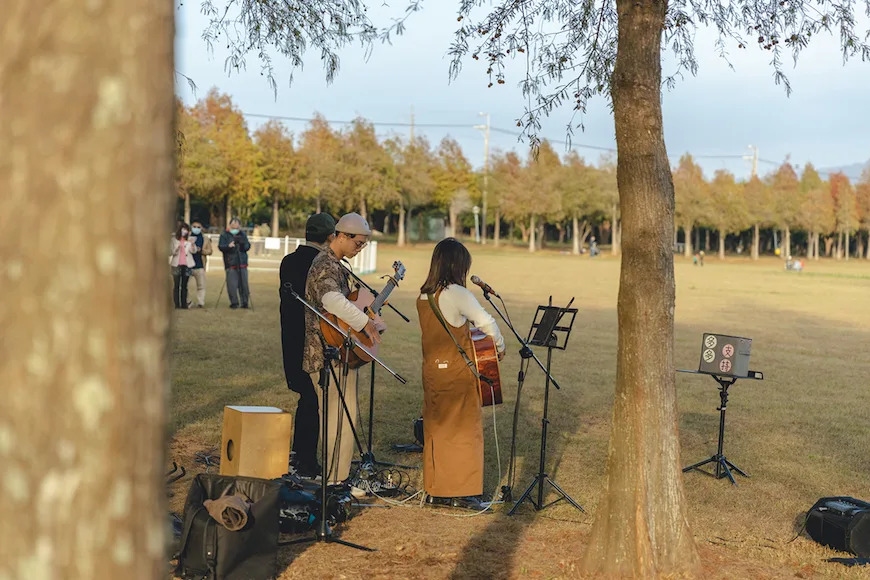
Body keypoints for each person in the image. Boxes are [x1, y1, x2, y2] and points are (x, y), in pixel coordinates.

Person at [417, 238, 506, 511]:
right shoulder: (457, 293)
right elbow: (486, 322)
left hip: (433, 370)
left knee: (437, 429)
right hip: (457, 370)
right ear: (457, 265)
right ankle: (462, 493)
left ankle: (436, 490)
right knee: (465, 430)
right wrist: (499, 347)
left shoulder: (424, 295)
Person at [302, 212, 381, 494]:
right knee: (337, 416)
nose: (360, 249)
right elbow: (331, 300)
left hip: (339, 351)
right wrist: (365, 323)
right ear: (342, 236)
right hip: (326, 354)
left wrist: (366, 317)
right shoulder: (325, 263)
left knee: (343, 415)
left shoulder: (336, 264)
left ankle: (338, 477)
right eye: (358, 243)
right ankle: (336, 481)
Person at [280, 213, 337, 478]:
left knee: (306, 399)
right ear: (330, 236)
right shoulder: (321, 263)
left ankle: (299, 453)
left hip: (291, 339)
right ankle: (306, 460)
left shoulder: (289, 261)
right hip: (314, 342)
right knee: (314, 401)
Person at [218, 218, 251, 309]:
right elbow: (221, 246)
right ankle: (234, 302)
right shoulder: (225, 235)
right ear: (230, 224)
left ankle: (245, 302)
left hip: (242, 262)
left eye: (237, 224)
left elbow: (248, 246)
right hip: (230, 263)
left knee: (244, 284)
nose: (235, 225)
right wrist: (228, 246)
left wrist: (242, 244)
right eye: (233, 223)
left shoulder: (243, 235)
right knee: (231, 285)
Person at [187, 220, 212, 308]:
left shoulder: (205, 239)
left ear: (201, 228)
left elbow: (210, 251)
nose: (196, 229)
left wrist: (201, 250)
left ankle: (200, 302)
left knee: (201, 285)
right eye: (194, 227)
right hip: (188, 265)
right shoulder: (187, 237)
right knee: (187, 285)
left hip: (200, 265)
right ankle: (187, 301)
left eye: (198, 227)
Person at [170, 222, 195, 309]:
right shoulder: (174, 240)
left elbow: (194, 251)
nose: (184, 231)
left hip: (187, 264)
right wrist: (176, 248)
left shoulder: (189, 240)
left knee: (184, 285)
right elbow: (171, 252)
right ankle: (176, 304)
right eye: (183, 229)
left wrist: (192, 245)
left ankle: (184, 304)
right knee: (176, 285)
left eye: (186, 230)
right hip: (176, 264)